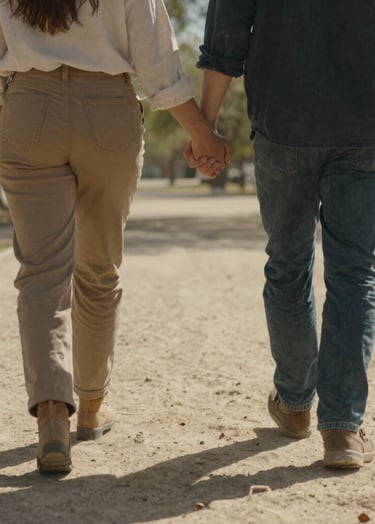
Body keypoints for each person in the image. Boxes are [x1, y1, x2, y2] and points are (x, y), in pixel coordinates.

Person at [0, 0, 229, 474]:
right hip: (106, 112)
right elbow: (157, 64)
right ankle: (89, 407)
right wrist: (203, 135)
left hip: (27, 108)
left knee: (42, 274)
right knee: (99, 268)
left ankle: (50, 419)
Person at [185, 0, 375, 469]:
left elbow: (227, 31)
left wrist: (205, 127)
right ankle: (342, 427)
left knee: (288, 265)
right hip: (364, 125)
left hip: (284, 121)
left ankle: (293, 403)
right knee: (354, 272)